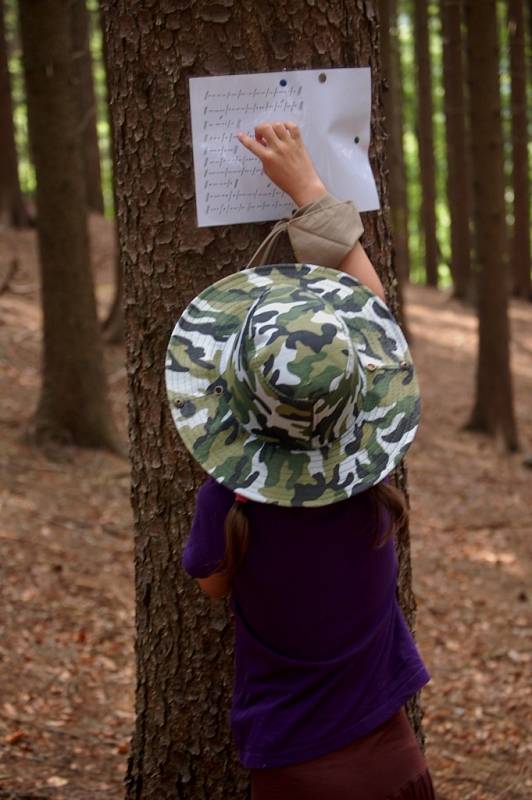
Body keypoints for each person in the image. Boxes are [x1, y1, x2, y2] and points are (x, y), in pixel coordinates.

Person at [165, 122, 435, 799]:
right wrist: (311, 190)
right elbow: (375, 316)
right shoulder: (372, 477)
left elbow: (212, 585)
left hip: (294, 769)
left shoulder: (228, 504)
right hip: (396, 762)